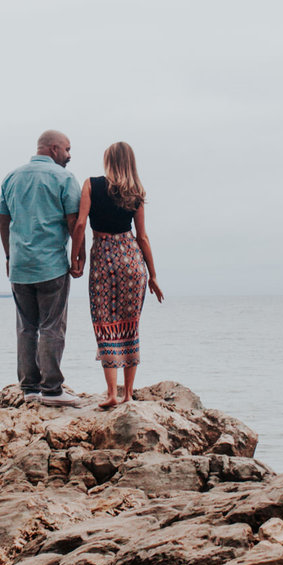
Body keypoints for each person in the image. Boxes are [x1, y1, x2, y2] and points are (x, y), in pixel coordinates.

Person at [70, 141, 163, 409]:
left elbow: (79, 224)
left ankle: (112, 393)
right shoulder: (136, 192)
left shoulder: (91, 184)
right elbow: (142, 237)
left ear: (108, 160)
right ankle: (128, 394)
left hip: (104, 256)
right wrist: (153, 275)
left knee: (105, 324)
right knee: (129, 325)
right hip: (132, 258)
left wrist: (76, 258)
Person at [0, 129, 83, 406]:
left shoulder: (11, 177)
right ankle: (52, 390)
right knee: (51, 326)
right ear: (54, 148)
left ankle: (30, 388)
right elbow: (74, 221)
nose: (70, 156)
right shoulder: (64, 178)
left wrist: (9, 255)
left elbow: (3, 220)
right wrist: (78, 257)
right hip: (51, 266)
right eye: (68, 150)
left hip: (21, 266)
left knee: (26, 327)